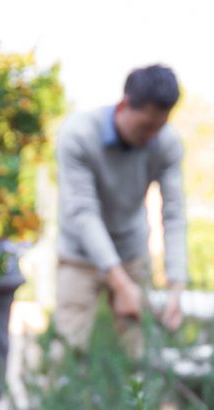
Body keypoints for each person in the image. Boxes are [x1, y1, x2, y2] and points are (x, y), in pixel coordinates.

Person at [54, 64, 187, 358]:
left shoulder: (166, 143)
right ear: (124, 104)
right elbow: (84, 213)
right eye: (145, 126)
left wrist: (176, 288)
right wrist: (121, 284)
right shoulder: (78, 135)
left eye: (160, 126)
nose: (152, 136)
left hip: (132, 253)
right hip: (79, 256)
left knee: (139, 356)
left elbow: (174, 214)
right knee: (67, 353)